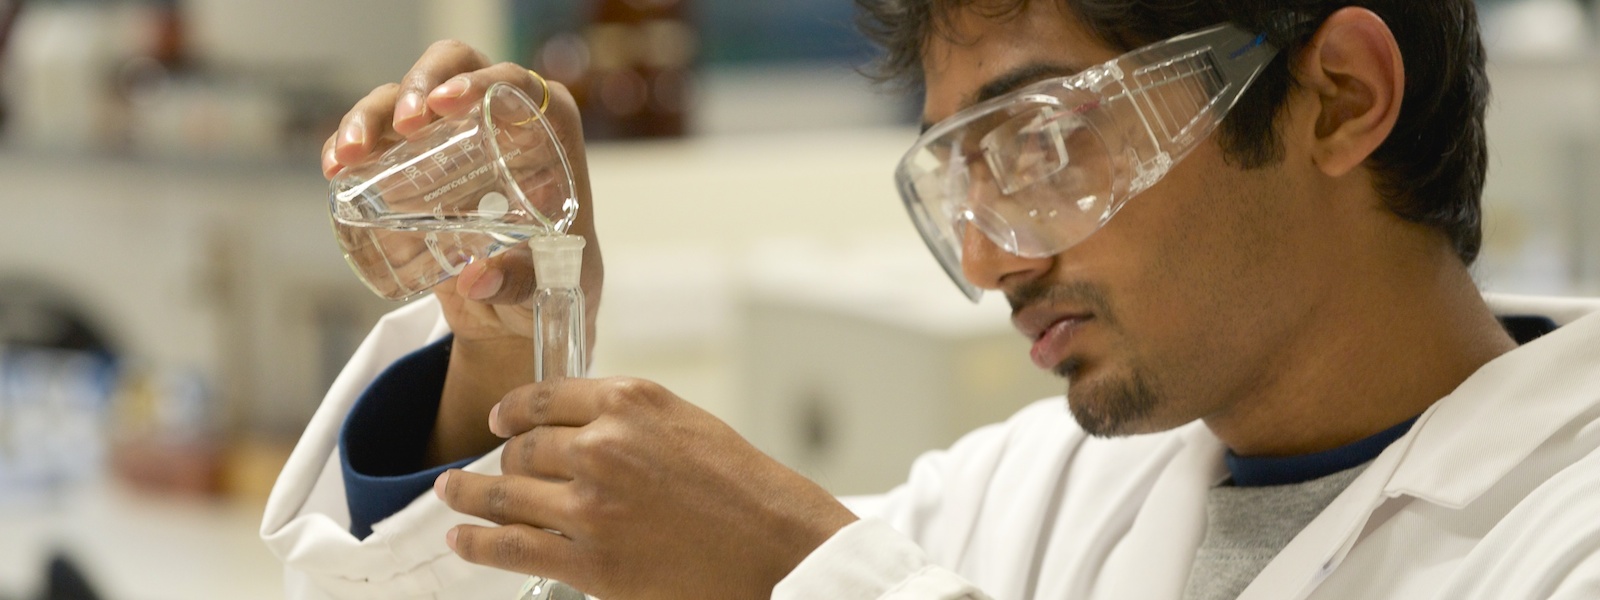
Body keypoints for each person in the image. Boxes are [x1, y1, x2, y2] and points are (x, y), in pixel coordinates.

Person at [261, 1, 1600, 598]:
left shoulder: (1565, 541)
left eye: (1043, 143)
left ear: (1341, 97)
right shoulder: (1037, 493)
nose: (989, 259)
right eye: (960, 175)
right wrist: (510, 344)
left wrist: (800, 578)